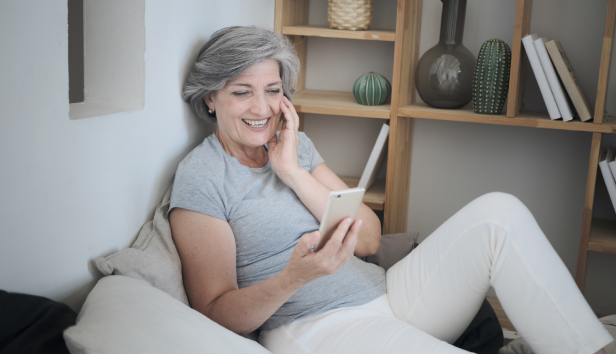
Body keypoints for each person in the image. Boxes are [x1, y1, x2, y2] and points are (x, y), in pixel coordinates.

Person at [170, 26, 612, 354]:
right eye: (242, 92)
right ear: (210, 99)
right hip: (313, 325)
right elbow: (215, 313)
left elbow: (369, 237)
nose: (262, 108)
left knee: (499, 213)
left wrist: (291, 171)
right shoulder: (202, 177)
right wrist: (294, 278)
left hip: (387, 292)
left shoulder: (293, 146)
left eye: (272, 90)